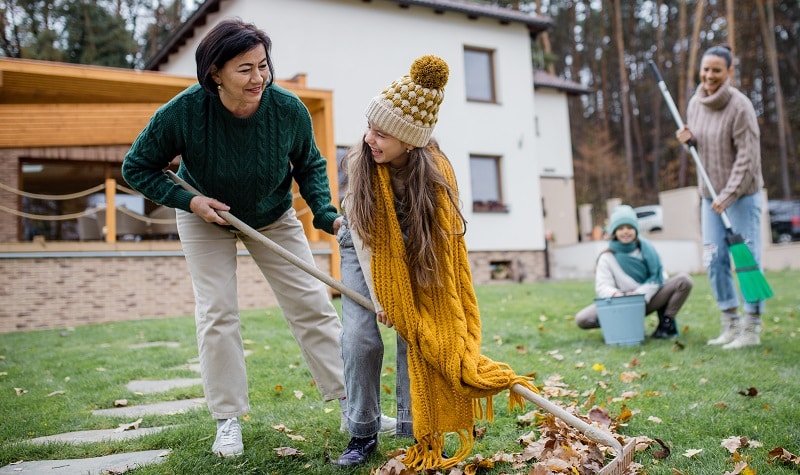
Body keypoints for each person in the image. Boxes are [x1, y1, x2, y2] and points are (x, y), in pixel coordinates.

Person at [121, 18, 389, 458]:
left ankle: (352, 408)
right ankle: (228, 420)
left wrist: (326, 215)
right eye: (245, 69)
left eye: (263, 65)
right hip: (205, 215)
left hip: (272, 213)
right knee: (217, 312)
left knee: (312, 306)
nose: (259, 77)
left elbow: (309, 164)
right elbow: (137, 166)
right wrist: (191, 203)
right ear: (215, 73)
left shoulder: (287, 108)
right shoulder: (184, 111)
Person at [336, 55, 534, 470]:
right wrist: (383, 301)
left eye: (382, 134)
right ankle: (362, 430)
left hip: (417, 251)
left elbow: (446, 247)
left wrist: (420, 309)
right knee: (361, 337)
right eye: (369, 127)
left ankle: (418, 429)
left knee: (423, 333)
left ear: (410, 140)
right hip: (363, 244)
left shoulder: (436, 175)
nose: (370, 139)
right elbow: (368, 244)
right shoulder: (361, 166)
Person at [675, 44, 766, 349]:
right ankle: (731, 322)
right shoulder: (695, 104)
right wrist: (689, 140)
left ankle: (752, 327)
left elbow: (747, 157)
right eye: (705, 69)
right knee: (714, 258)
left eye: (716, 70)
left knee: (746, 260)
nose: (709, 75)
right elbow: (704, 147)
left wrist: (728, 195)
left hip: (741, 195)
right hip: (709, 196)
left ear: (729, 72)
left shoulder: (740, 106)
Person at [575, 205, 694, 338]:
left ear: (636, 230)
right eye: (620, 228)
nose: (626, 232)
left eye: (630, 227)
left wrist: (639, 294)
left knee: (684, 280)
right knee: (582, 318)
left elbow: (660, 277)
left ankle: (666, 324)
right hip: (621, 303)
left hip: (646, 299)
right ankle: (621, 324)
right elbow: (603, 286)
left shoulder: (647, 250)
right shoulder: (607, 257)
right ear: (614, 232)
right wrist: (616, 295)